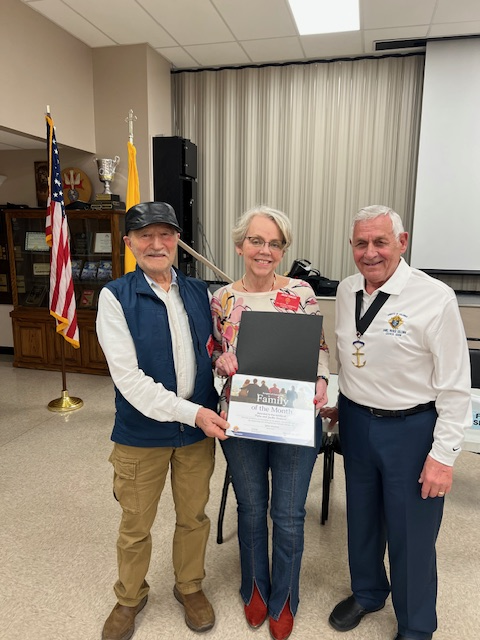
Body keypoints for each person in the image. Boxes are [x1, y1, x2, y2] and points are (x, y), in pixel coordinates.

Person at [322, 205, 472, 640]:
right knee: (363, 519)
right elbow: (351, 355)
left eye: (380, 242)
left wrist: (443, 457)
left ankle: (416, 624)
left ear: (401, 243)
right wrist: (340, 402)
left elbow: (455, 386)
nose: (370, 253)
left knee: (412, 532)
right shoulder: (348, 289)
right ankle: (369, 592)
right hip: (355, 421)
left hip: (412, 429)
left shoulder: (434, 296)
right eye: (361, 243)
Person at [96, 202, 228, 640]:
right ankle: (129, 597)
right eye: (145, 235)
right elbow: (129, 380)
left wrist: (226, 360)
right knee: (135, 525)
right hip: (141, 435)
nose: (157, 244)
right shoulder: (115, 297)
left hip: (195, 434)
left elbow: (210, 350)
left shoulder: (200, 293)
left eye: (165, 234)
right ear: (129, 242)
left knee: (193, 516)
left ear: (177, 241)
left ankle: (189, 586)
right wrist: (194, 413)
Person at [211, 205, 330, 640]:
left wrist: (320, 379)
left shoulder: (302, 293)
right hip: (242, 419)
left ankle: (284, 598)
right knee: (252, 508)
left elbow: (318, 352)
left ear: (283, 250)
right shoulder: (222, 299)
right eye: (256, 241)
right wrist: (220, 361)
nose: (265, 250)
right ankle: (255, 587)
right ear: (241, 244)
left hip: (294, 416)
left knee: (289, 514)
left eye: (274, 243)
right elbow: (214, 354)